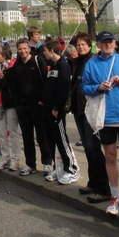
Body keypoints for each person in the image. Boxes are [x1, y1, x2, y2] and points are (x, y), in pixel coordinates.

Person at [82, 31, 119, 219]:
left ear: (115, 43)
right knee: (110, 157)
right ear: (98, 45)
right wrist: (98, 87)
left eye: (110, 41)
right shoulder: (92, 64)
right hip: (105, 117)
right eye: (104, 42)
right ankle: (115, 196)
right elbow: (84, 87)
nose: (107, 45)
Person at [69, 32, 111, 203]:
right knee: (87, 147)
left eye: (83, 44)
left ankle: (104, 188)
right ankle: (93, 182)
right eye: (78, 45)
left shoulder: (93, 61)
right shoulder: (76, 62)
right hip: (79, 108)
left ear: (89, 45)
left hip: (91, 108)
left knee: (94, 148)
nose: (80, 47)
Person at [5, 38, 50, 177]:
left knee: (42, 135)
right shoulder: (16, 66)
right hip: (23, 106)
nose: (22, 51)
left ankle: (47, 163)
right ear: (17, 50)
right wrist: (17, 102)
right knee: (27, 136)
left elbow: (46, 80)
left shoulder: (38, 61)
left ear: (29, 49)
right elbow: (12, 86)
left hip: (37, 105)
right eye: (20, 49)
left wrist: (43, 100)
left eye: (25, 48)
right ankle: (30, 163)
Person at [40, 39, 80, 185]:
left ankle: (71, 169)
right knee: (52, 140)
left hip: (56, 110)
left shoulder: (63, 66)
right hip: (48, 108)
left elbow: (63, 89)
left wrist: (57, 107)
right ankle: (59, 168)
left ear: (51, 51)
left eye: (45, 50)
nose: (43, 53)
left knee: (62, 140)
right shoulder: (54, 66)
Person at [0, 46, 20, 171]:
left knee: (13, 133)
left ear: (6, 54)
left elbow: (8, 83)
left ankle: (15, 159)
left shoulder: (13, 65)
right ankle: (5, 157)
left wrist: (0, 81)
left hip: (10, 102)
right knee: (1, 133)